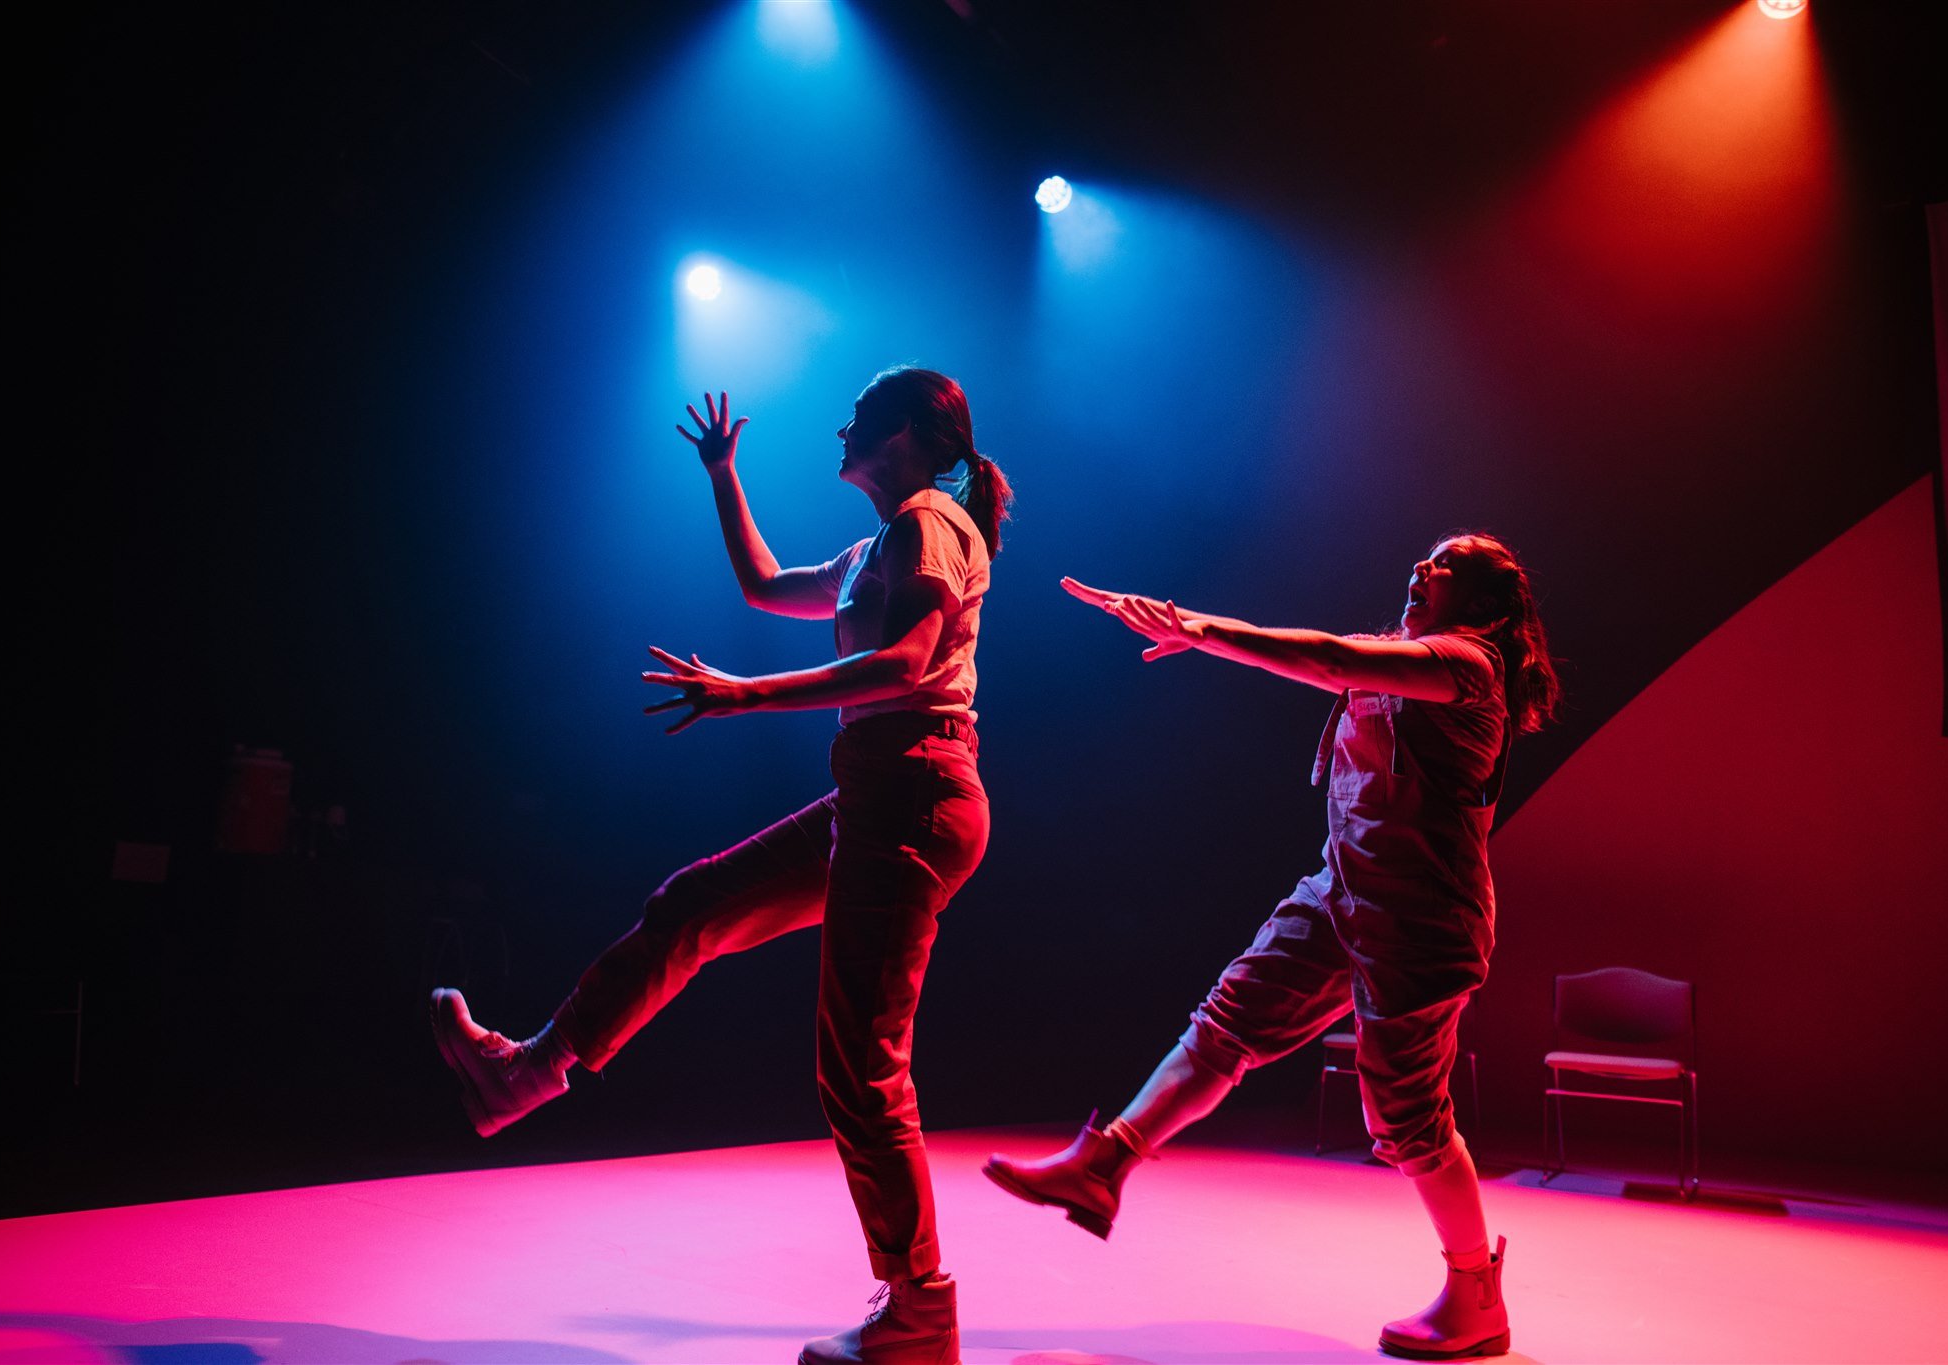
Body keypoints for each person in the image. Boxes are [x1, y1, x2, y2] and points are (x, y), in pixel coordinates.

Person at [431, 369, 1011, 1365]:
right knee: (692, 905)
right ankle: (529, 1071)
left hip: (914, 794)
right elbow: (760, 583)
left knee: (860, 1067)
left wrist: (745, 697)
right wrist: (720, 473)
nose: (843, 426)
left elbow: (908, 663)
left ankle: (919, 1307)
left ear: (910, 434)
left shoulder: (929, 524)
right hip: (875, 797)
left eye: (861, 416)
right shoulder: (881, 542)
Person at [983, 534, 1558, 1362]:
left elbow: (1327, 659)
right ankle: (1106, 1163)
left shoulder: (1470, 668)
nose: (1422, 569)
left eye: (1448, 566)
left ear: (1480, 605)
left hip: (1424, 920)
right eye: (1426, 558)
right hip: (1340, 891)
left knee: (1405, 1121)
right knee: (1226, 1023)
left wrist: (1196, 627)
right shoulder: (1406, 655)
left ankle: (1476, 1293)